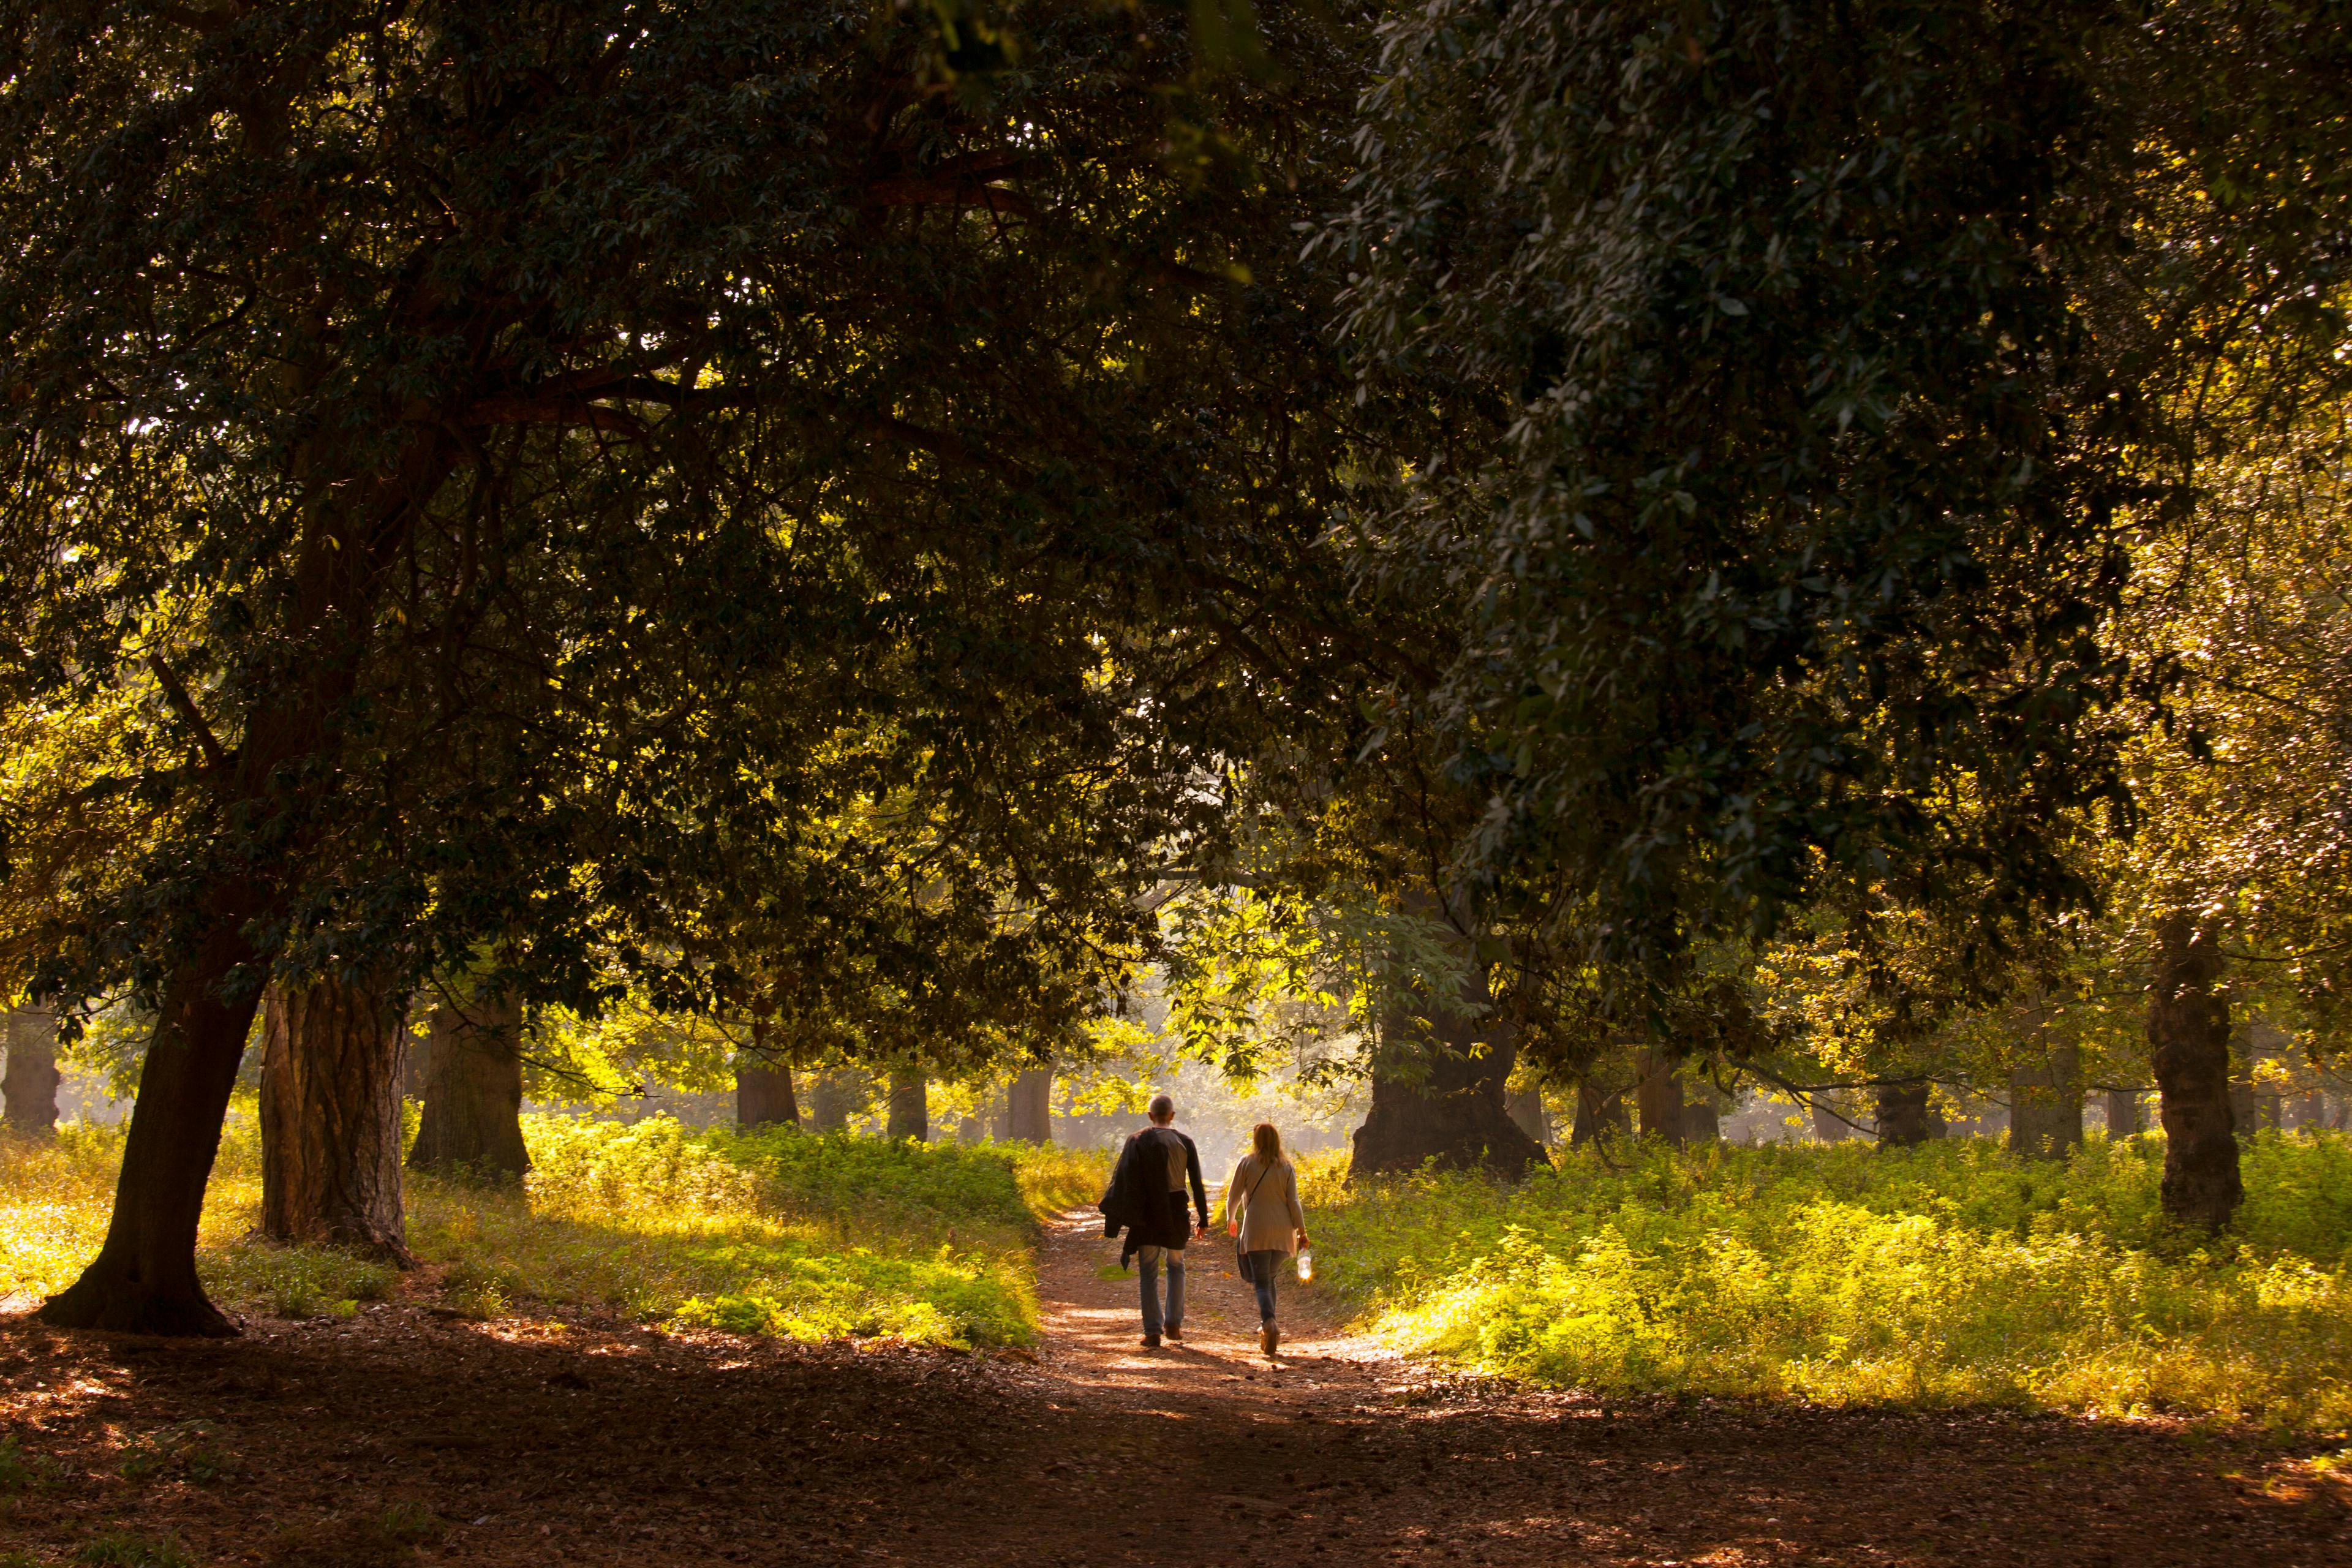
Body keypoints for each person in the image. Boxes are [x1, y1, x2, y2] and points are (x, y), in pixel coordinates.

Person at [1099, 1093, 1210, 1348]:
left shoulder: (1138, 1141)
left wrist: (1123, 1215)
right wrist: (1203, 1218)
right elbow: (1196, 1183)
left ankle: (1152, 1331)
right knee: (1176, 1265)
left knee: (1148, 1271)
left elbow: (1124, 1181)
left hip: (1148, 1214)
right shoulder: (1185, 1142)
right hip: (1176, 1212)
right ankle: (1173, 1323)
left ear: (1150, 1116)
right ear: (1172, 1116)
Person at [1223, 1121, 1310, 1360]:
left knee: (1261, 1282)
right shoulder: (1287, 1167)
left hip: (1257, 1229)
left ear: (1257, 1140)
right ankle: (1269, 1324)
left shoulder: (1247, 1163)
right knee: (1269, 1278)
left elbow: (1233, 1195)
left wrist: (1231, 1219)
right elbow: (1294, 1202)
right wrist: (1302, 1231)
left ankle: (1269, 1323)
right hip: (1283, 1232)